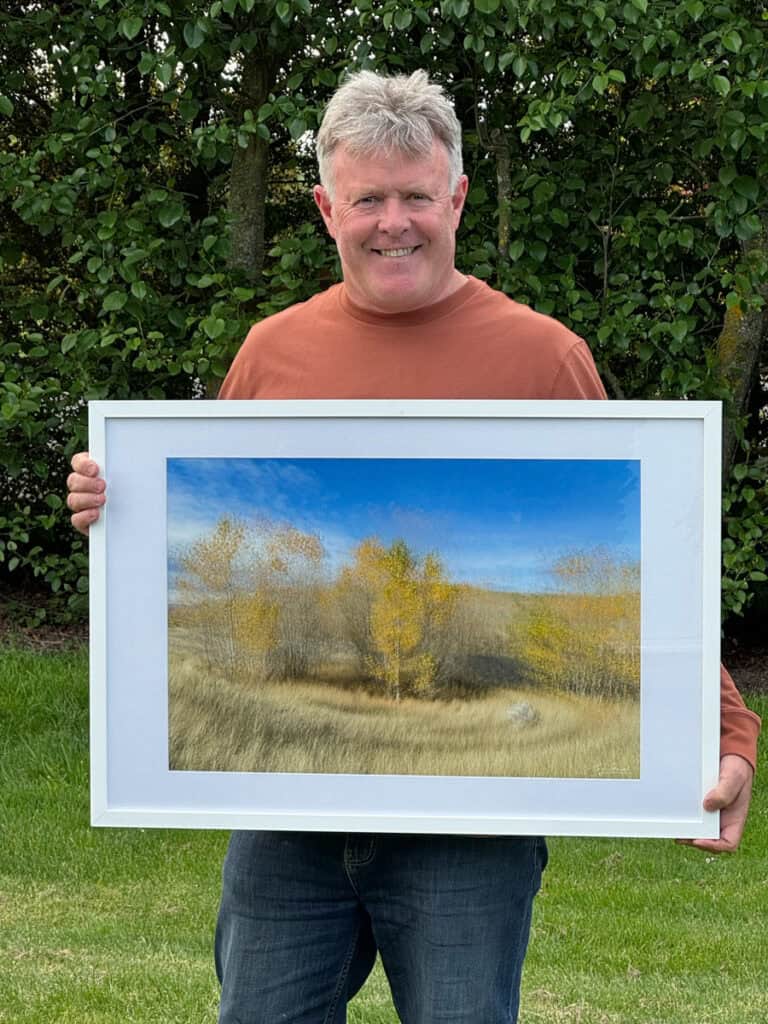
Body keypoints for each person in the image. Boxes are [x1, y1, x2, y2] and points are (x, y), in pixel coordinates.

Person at [67, 69, 760, 1024]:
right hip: (288, 818)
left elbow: (649, 563)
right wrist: (121, 509)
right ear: (325, 208)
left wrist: (727, 736)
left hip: (470, 834)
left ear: (457, 199)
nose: (394, 222)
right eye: (368, 199)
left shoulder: (541, 357)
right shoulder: (270, 354)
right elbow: (214, 527)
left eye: (416, 197)